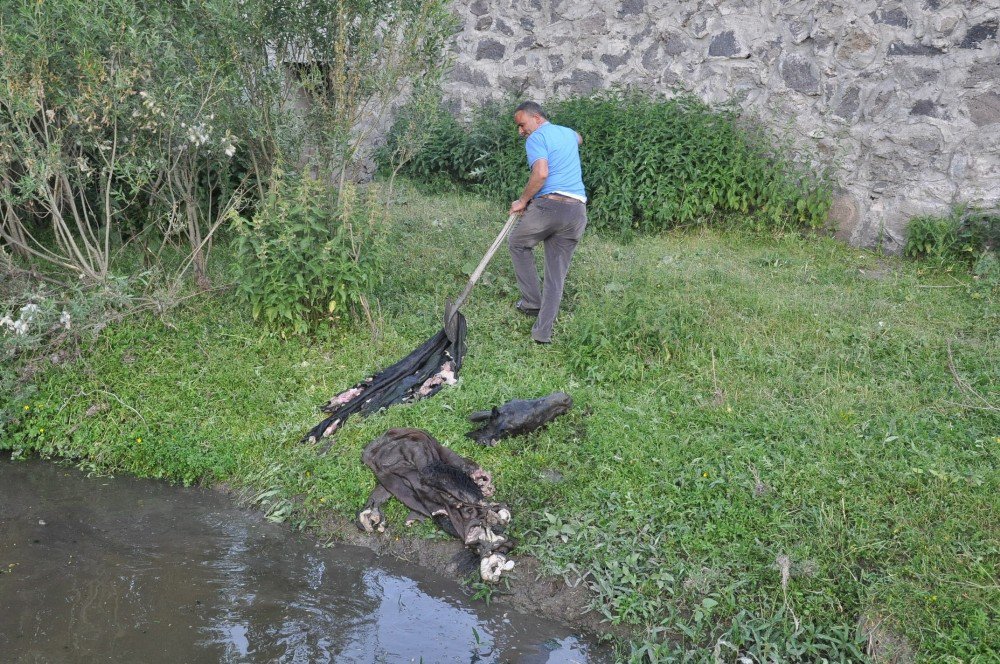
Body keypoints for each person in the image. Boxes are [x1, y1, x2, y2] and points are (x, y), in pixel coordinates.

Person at [507, 101, 587, 344]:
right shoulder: (567, 133)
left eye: (522, 125)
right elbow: (579, 138)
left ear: (537, 118)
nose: (520, 132)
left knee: (518, 243)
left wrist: (522, 201)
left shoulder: (536, 138)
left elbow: (541, 173)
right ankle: (542, 333)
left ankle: (531, 302)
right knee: (556, 275)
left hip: (549, 206)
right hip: (576, 211)